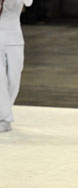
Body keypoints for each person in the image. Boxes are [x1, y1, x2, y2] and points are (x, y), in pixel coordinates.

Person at [0, 0, 33, 133]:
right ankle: (5, 118)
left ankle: (5, 112)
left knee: (14, 79)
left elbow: (29, 2)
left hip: (14, 37)